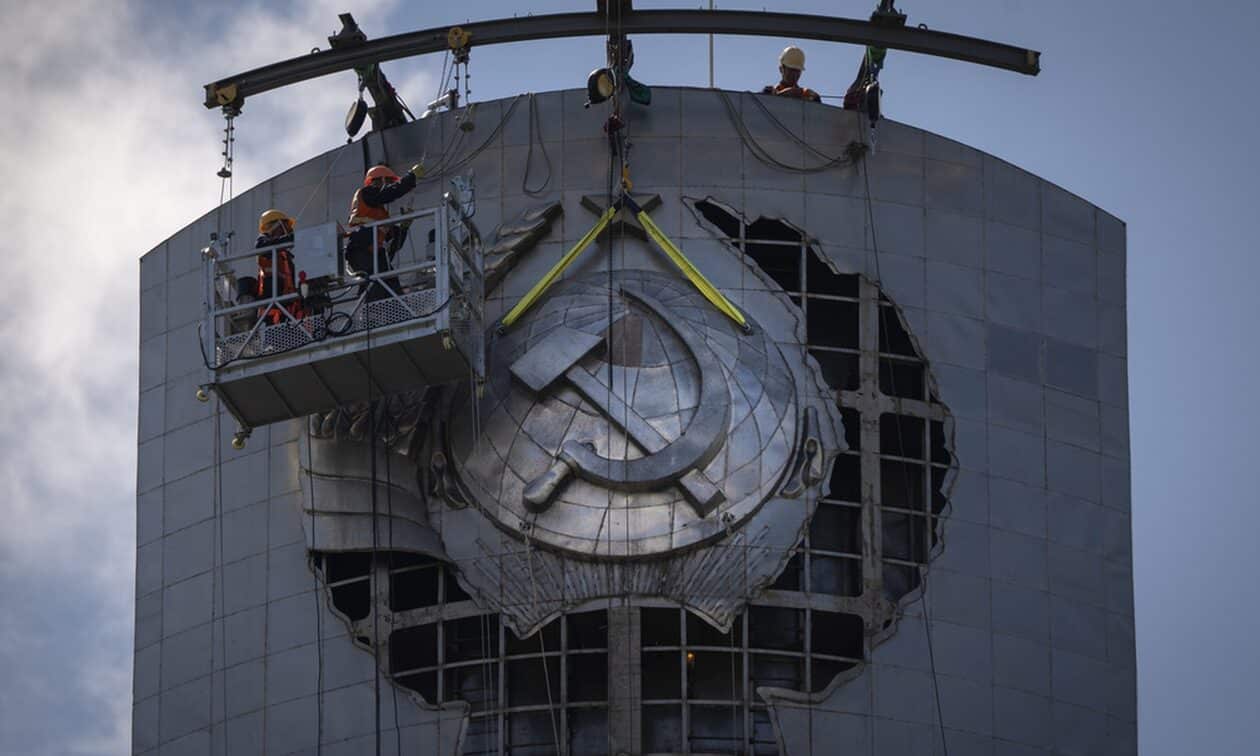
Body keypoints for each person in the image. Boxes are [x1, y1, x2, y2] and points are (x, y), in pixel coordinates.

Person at [345, 162, 426, 302]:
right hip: (362, 249)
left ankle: (399, 312)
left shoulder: (380, 216)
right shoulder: (366, 193)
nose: (389, 185)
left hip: (375, 253)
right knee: (375, 284)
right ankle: (370, 312)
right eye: (388, 182)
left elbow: (394, 245)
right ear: (379, 180)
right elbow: (389, 193)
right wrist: (411, 177)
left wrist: (404, 227)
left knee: (391, 285)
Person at [254, 209, 303, 326]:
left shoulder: (284, 256)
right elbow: (261, 246)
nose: (285, 231)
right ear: (275, 225)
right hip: (272, 310)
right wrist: (289, 239)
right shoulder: (264, 241)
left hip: (287, 309)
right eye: (284, 227)